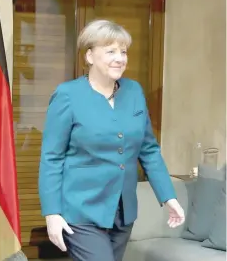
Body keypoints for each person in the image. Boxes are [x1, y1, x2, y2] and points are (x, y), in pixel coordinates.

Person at [38, 19, 185, 261]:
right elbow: (51, 158)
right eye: (111, 51)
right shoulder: (68, 95)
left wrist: (169, 197)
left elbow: (148, 150)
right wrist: (52, 213)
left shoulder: (134, 91)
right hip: (80, 210)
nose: (120, 58)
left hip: (122, 211)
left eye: (123, 51)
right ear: (89, 56)